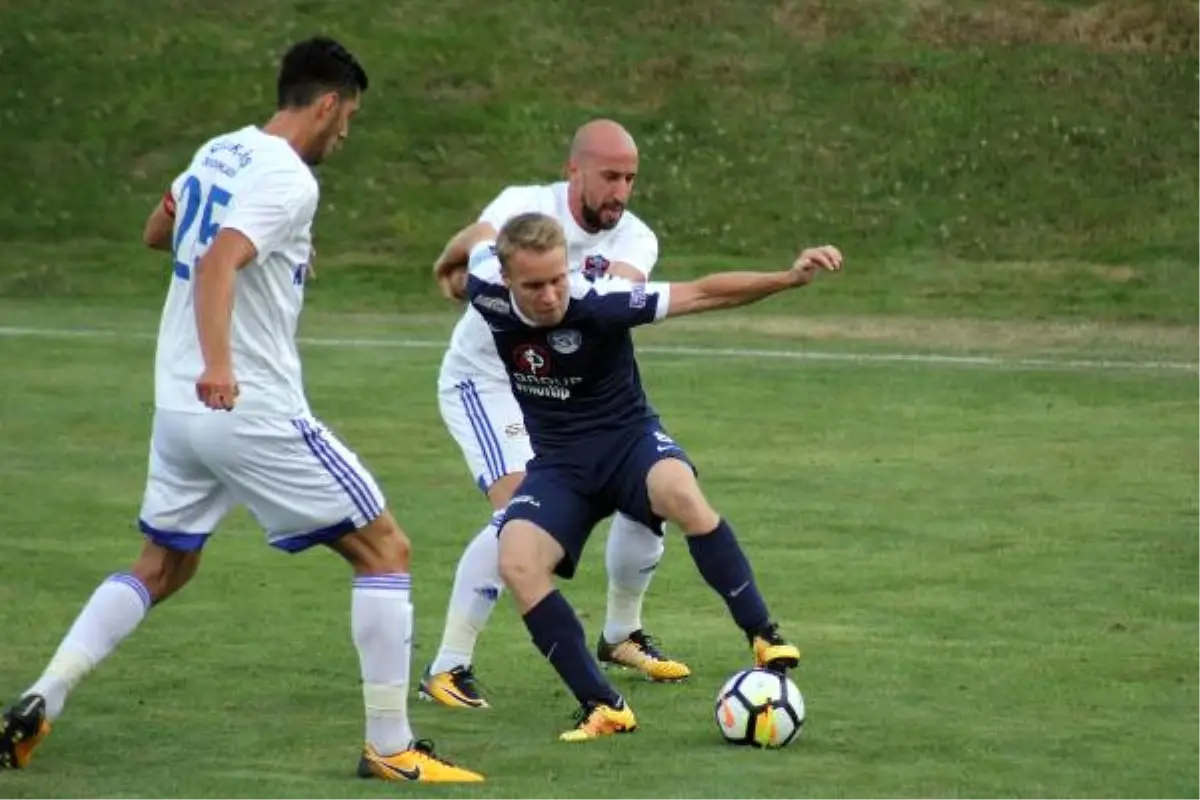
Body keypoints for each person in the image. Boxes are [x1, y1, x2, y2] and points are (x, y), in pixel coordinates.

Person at [0, 37, 483, 784]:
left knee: (163, 565)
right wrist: (222, 364)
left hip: (176, 409)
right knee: (385, 549)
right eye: (347, 118)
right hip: (243, 405)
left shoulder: (220, 150)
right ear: (326, 104)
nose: (345, 134)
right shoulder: (290, 178)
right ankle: (390, 746)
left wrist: (278, 257)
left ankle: (42, 696)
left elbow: (161, 232)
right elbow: (223, 256)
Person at [464, 211, 843, 741]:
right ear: (506, 281)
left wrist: (787, 277)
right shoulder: (483, 286)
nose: (551, 295)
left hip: (629, 444)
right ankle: (604, 706)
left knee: (679, 491)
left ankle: (763, 634)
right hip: (561, 467)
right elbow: (479, 237)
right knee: (517, 560)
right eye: (534, 285)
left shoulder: (602, 302)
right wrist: (444, 262)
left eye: (558, 279)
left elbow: (703, 293)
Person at [420, 119, 688, 710]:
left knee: (650, 491)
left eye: (630, 178)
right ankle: (448, 665)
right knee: (521, 514)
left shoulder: (636, 238)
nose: (621, 190)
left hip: (564, 392)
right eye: (610, 176)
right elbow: (478, 241)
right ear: (576, 171)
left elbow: (599, 310)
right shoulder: (526, 204)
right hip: (489, 382)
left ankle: (621, 634)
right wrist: (448, 262)